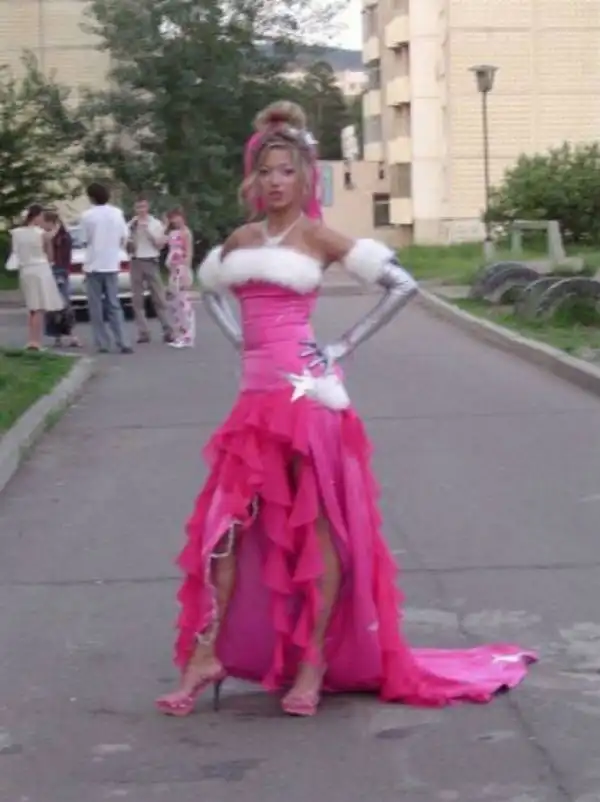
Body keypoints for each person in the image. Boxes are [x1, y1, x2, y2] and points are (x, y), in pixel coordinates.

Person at [156, 105, 535, 719]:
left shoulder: (318, 237)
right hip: (254, 402)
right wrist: (237, 340)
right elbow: (210, 290)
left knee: (319, 530)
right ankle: (205, 655)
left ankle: (312, 662)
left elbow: (403, 285)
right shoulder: (241, 239)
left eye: (287, 170)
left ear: (305, 176)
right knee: (223, 531)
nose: (275, 181)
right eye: (265, 171)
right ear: (252, 178)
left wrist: (340, 346)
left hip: (306, 396)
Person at [244, 100, 322, 221]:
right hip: (305, 213)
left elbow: (250, 173)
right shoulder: (303, 139)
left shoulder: (256, 140)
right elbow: (313, 179)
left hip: (262, 211)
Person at [81, 183, 132, 354]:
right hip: (111, 262)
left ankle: (102, 342)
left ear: (92, 197)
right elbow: (124, 236)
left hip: (94, 264)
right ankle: (123, 341)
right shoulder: (117, 213)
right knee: (114, 303)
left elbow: (84, 239)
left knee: (95, 306)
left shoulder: (87, 216)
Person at [10, 204, 64, 350]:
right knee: (39, 308)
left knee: (31, 307)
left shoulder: (16, 233)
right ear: (37, 216)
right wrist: (54, 231)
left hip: (25, 270)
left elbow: (16, 252)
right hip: (40, 270)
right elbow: (50, 256)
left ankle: (31, 339)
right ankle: (36, 341)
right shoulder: (41, 234)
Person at [128, 197, 174, 344]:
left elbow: (160, 245)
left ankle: (168, 330)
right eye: (138, 207)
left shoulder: (155, 223)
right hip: (136, 260)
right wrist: (132, 238)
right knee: (137, 299)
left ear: (147, 208)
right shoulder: (131, 224)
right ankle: (143, 332)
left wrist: (147, 231)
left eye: (143, 207)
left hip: (151, 260)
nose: (141, 210)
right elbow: (128, 246)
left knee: (158, 297)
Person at [42, 210, 80, 349]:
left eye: (45, 223)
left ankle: (71, 336)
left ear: (52, 223)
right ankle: (57, 337)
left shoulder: (62, 237)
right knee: (52, 307)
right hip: (50, 272)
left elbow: (61, 257)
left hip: (59, 271)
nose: (42, 226)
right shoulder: (48, 235)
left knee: (64, 305)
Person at [164, 207, 195, 349]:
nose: (175, 220)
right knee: (175, 304)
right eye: (172, 218)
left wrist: (186, 271)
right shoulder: (172, 233)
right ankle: (178, 335)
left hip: (181, 268)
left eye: (177, 217)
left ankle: (187, 335)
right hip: (173, 269)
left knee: (184, 303)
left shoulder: (186, 233)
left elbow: (189, 253)